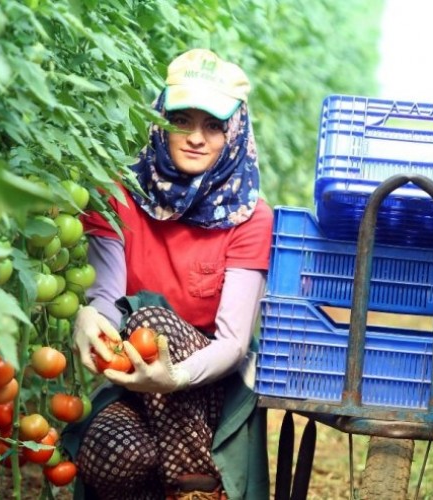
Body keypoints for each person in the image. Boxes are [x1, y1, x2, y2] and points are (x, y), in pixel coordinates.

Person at [69, 48, 273, 500]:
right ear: (160, 120)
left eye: (213, 126)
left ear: (234, 134)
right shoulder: (118, 197)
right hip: (135, 385)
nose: (196, 137)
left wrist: (175, 378)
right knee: (113, 452)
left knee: (149, 320)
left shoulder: (250, 217)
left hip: (212, 388)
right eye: (182, 120)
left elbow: (233, 343)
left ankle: (196, 488)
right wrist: (89, 316)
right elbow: (108, 298)